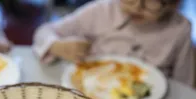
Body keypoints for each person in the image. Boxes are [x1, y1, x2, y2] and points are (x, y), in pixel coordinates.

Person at [33, 0, 195, 86]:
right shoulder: (101, 11)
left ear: (174, 3)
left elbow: (185, 85)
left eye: (151, 3)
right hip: (94, 94)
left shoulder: (180, 29)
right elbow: (43, 32)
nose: (137, 7)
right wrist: (57, 46)